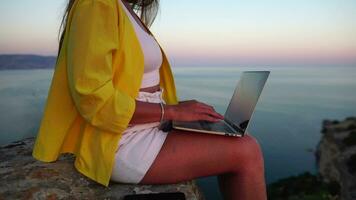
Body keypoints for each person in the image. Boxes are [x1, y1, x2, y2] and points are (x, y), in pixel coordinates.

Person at [32, 0, 267, 199]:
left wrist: (175, 108)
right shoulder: (97, 4)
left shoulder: (123, 8)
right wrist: (171, 112)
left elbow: (132, 82)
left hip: (149, 126)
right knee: (247, 151)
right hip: (121, 140)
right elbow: (94, 99)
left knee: (230, 140)